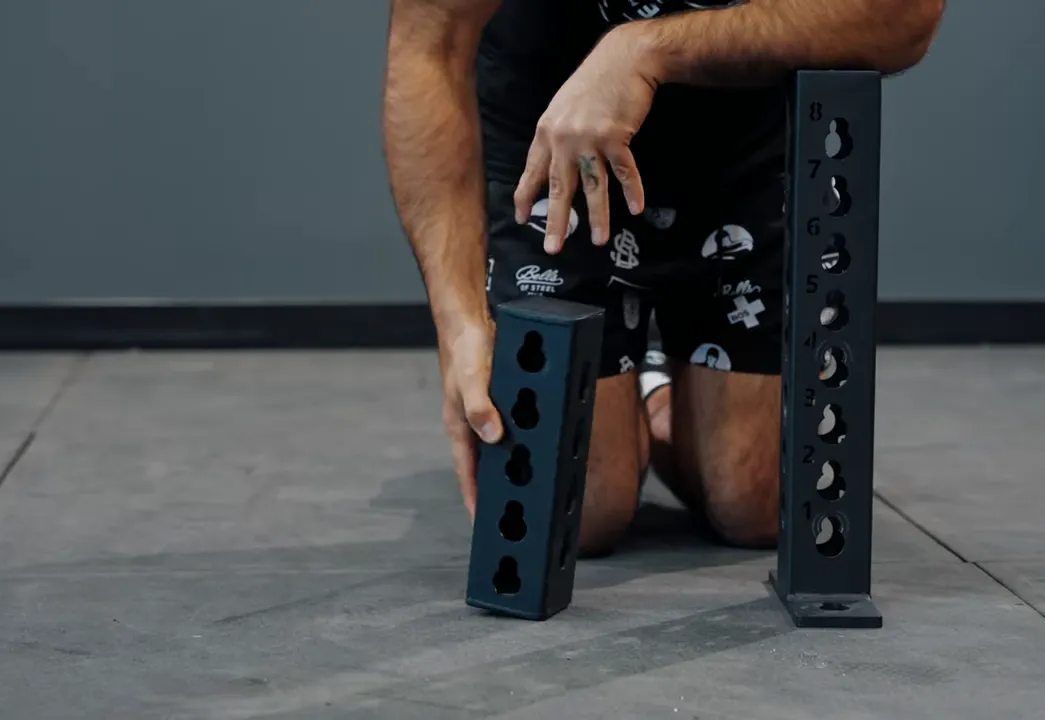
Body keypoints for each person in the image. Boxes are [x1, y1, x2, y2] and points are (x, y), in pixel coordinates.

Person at [384, 0, 944, 556]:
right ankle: (633, 394)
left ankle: (650, 386)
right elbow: (428, 48)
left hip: (741, 122)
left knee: (759, 502)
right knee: (571, 513)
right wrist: (459, 324)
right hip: (552, 128)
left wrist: (645, 49)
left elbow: (903, 15)